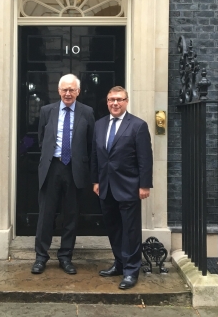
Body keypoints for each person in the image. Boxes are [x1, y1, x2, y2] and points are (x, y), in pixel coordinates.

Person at [31, 74, 95, 275]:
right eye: (64, 90)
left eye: (72, 90)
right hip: (52, 167)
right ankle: (41, 257)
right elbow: (42, 139)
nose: (68, 93)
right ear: (59, 91)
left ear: (78, 91)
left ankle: (65, 257)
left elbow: (91, 143)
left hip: (75, 169)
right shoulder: (46, 111)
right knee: (46, 215)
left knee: (71, 215)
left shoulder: (87, 112)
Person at [91, 86, 153, 290]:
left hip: (129, 187)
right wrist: (96, 181)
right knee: (114, 229)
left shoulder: (138, 125)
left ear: (126, 101)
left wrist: (144, 185)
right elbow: (96, 156)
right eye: (111, 100)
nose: (115, 103)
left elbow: (145, 159)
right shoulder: (99, 125)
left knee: (130, 231)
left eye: (119, 99)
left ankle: (131, 270)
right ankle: (119, 264)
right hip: (106, 187)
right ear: (107, 102)